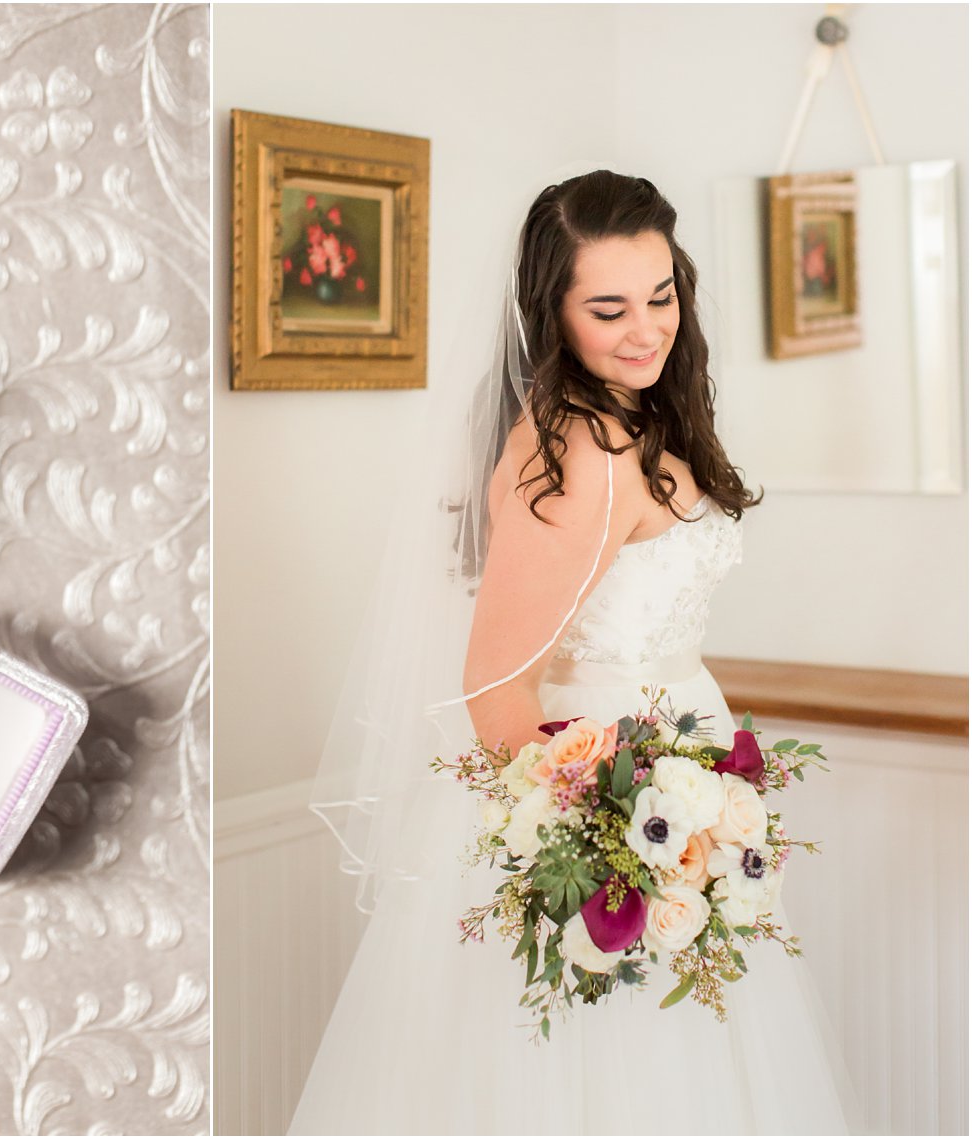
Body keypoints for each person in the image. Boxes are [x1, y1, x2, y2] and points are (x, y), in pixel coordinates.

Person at [293, 170, 860, 1134]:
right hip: (603, 801)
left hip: (674, 762)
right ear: (553, 311)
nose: (646, 329)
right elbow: (495, 688)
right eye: (609, 308)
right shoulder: (582, 449)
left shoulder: (638, 413)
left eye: (661, 295)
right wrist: (604, 861)